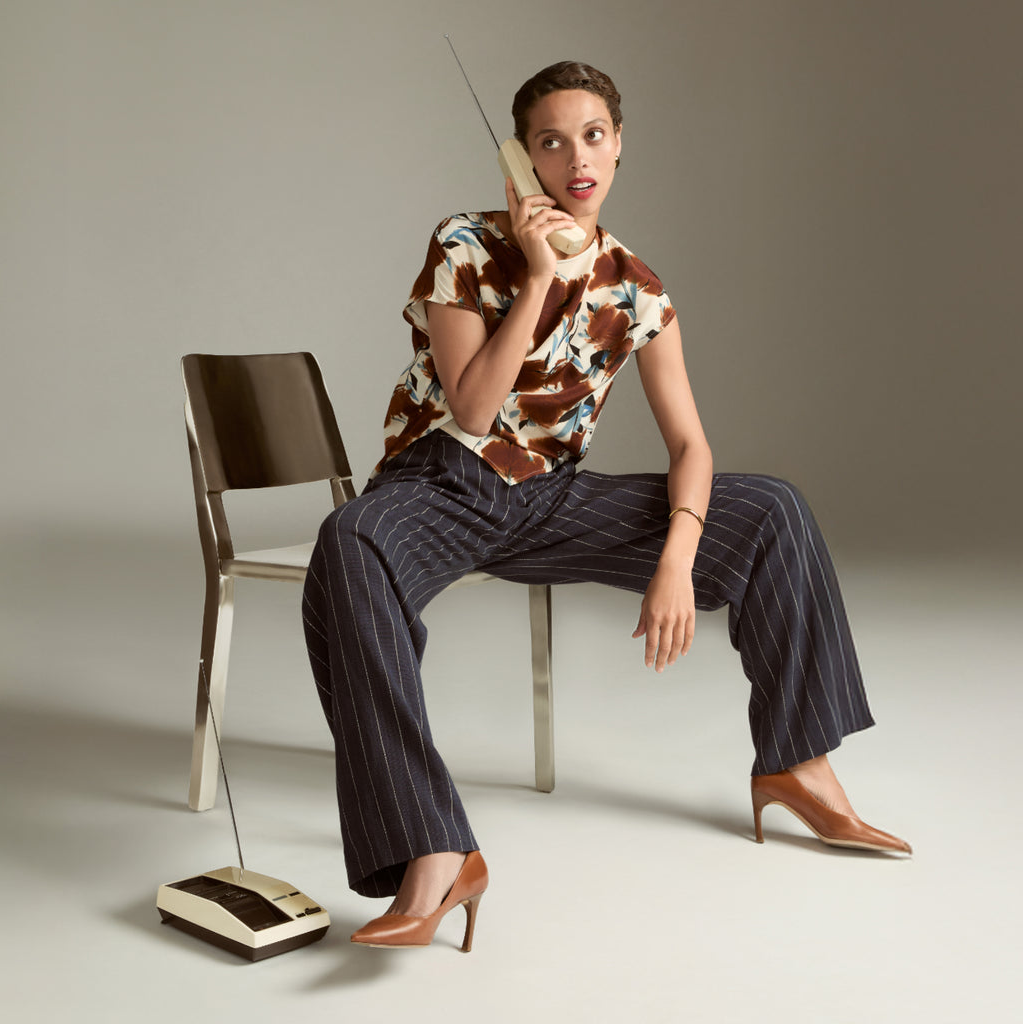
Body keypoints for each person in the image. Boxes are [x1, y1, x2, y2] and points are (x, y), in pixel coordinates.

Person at [301, 60, 911, 953]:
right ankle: (433, 849)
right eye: (550, 142)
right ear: (522, 159)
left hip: (550, 499)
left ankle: (798, 765)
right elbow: (474, 408)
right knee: (349, 540)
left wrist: (676, 562)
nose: (576, 158)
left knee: (772, 507)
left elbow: (691, 447)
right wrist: (539, 275)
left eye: (592, 136)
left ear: (619, 144)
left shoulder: (637, 287)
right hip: (441, 483)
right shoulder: (464, 242)